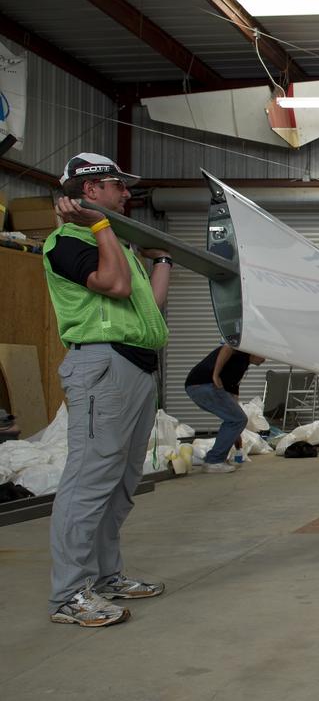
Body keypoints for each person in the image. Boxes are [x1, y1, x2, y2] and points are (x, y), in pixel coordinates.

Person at [42, 153, 172, 628]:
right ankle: (69, 594)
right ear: (91, 190)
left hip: (135, 367)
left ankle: (104, 577)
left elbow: (150, 309)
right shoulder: (68, 241)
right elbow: (114, 286)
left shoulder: (116, 243)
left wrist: (162, 260)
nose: (127, 194)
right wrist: (100, 227)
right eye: (118, 185)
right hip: (100, 365)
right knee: (90, 480)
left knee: (121, 484)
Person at [184, 344, 266, 473]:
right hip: (204, 385)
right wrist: (215, 375)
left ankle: (215, 459)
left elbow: (233, 398)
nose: (264, 360)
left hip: (197, 387)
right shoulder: (242, 351)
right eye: (263, 355)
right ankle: (214, 461)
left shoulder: (241, 366)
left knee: (236, 419)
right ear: (254, 351)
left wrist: (237, 431)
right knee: (237, 419)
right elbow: (227, 347)